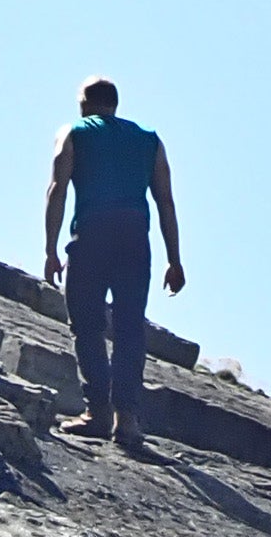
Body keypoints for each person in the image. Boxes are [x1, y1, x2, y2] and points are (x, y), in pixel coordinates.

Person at [40, 77, 184, 446]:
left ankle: (98, 414)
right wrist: (174, 259)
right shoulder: (149, 140)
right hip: (135, 241)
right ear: (115, 105)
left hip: (91, 237)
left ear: (84, 104)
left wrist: (50, 249)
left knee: (86, 325)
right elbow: (165, 201)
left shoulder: (73, 132)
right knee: (129, 329)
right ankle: (128, 420)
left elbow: (57, 188)